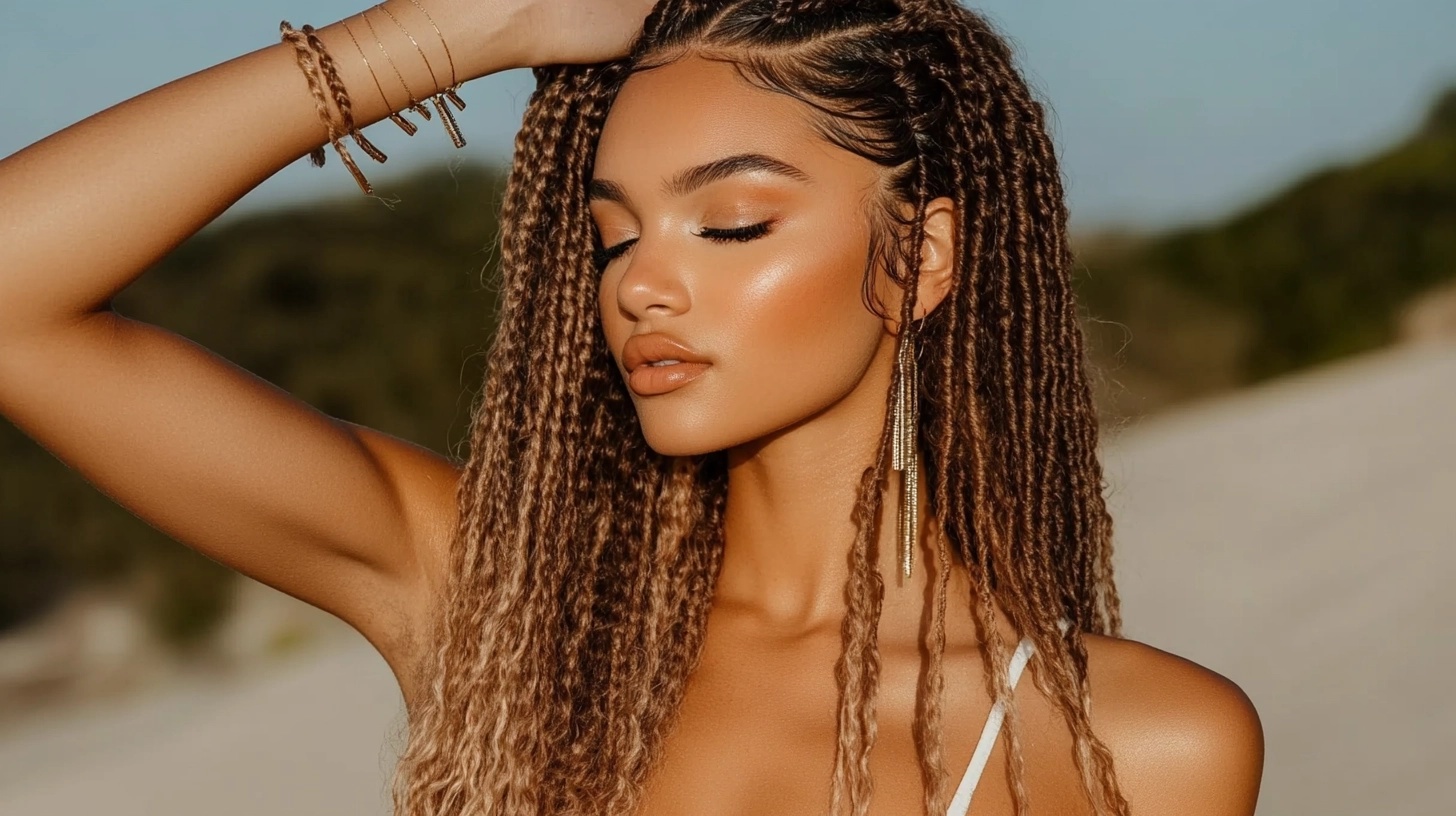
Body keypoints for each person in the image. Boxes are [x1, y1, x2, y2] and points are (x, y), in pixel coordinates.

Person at [0, 0, 1264, 814]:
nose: (644, 284)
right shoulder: (503, 603)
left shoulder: (1147, 750)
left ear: (921, 256)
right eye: (610, 237)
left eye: (730, 222)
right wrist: (463, 29)